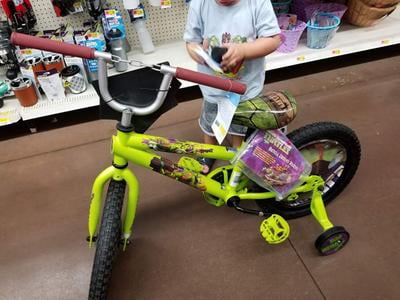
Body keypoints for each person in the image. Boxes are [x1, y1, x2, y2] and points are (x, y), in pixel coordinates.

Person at [184, 0, 281, 173]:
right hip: (212, 85)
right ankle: (209, 151)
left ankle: (238, 152)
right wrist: (198, 53)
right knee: (210, 120)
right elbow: (191, 41)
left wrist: (244, 50)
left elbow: (273, 39)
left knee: (241, 124)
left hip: (245, 86)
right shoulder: (199, 3)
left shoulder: (257, 3)